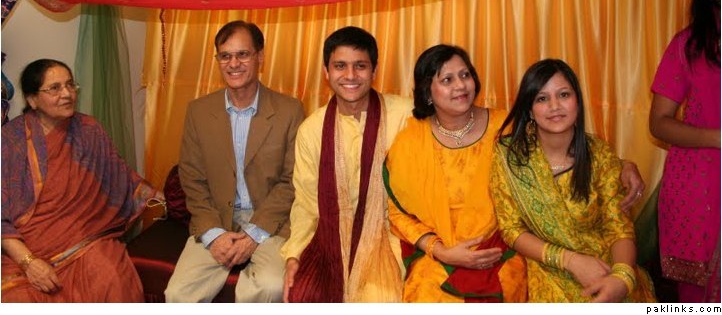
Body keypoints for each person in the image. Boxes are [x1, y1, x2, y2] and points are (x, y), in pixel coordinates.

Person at [491, 58, 656, 302]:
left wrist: (622, 277)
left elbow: (618, 227)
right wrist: (569, 260)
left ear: (577, 101)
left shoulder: (600, 155)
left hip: (604, 265)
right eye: (542, 98)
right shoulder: (511, 158)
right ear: (530, 111)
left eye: (564, 95)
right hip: (547, 266)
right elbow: (511, 229)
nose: (555, 106)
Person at [164, 20, 305, 303]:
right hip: (215, 218)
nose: (233, 64)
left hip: (270, 221)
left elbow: (292, 181)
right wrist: (214, 234)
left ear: (260, 57)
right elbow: (192, 178)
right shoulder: (199, 111)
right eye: (225, 56)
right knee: (178, 294)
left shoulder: (289, 110)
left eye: (243, 54)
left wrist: (253, 234)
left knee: (270, 287)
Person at [1, 58, 163, 302]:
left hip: (86, 239)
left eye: (70, 85)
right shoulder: (10, 141)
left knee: (113, 278)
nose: (67, 94)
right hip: (27, 249)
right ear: (32, 100)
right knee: (17, 299)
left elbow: (120, 179)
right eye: (54, 88)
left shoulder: (88, 129)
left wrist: (166, 201)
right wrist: (29, 262)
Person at [384, 44, 528, 302]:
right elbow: (398, 213)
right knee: (426, 293)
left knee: (509, 286)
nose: (460, 85)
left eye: (465, 75)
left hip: (501, 247)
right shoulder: (411, 141)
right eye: (447, 80)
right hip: (439, 253)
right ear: (428, 91)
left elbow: (543, 173)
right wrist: (439, 250)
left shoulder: (506, 127)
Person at [281, 26, 412, 302]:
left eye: (360, 66)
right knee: (302, 295)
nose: (350, 75)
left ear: (374, 70)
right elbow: (306, 203)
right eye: (340, 66)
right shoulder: (312, 130)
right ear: (326, 72)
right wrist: (294, 254)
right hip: (330, 238)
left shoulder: (405, 116)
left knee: (381, 298)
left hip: (391, 237)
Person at [649, 0, 720, 303]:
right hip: (697, 182)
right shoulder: (687, 44)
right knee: (697, 296)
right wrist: (717, 137)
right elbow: (658, 122)